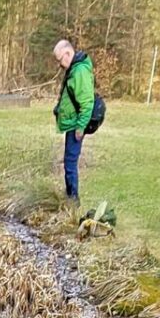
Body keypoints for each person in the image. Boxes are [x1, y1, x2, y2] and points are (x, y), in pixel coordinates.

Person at [52, 39, 95, 203]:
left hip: (76, 125)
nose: (60, 65)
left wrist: (80, 127)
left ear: (68, 54)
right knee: (68, 162)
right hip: (72, 123)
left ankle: (73, 200)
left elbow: (87, 102)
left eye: (60, 60)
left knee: (70, 163)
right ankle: (70, 195)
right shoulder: (74, 70)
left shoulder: (80, 72)